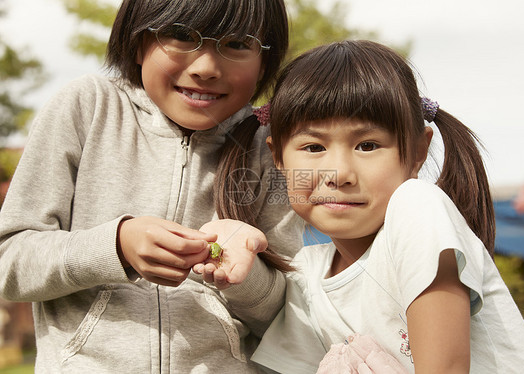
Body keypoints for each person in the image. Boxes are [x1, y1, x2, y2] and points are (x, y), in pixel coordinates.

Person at [0, 0, 304, 372]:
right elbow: (8, 260)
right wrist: (116, 245)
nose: (206, 67)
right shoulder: (86, 107)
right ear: (138, 41)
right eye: (180, 35)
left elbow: (289, 315)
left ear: (264, 63)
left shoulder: (270, 147)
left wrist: (243, 275)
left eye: (238, 43)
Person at [251, 40, 524, 373]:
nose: (340, 174)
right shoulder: (306, 275)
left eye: (368, 145)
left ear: (418, 152)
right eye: (314, 147)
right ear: (278, 157)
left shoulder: (417, 209)